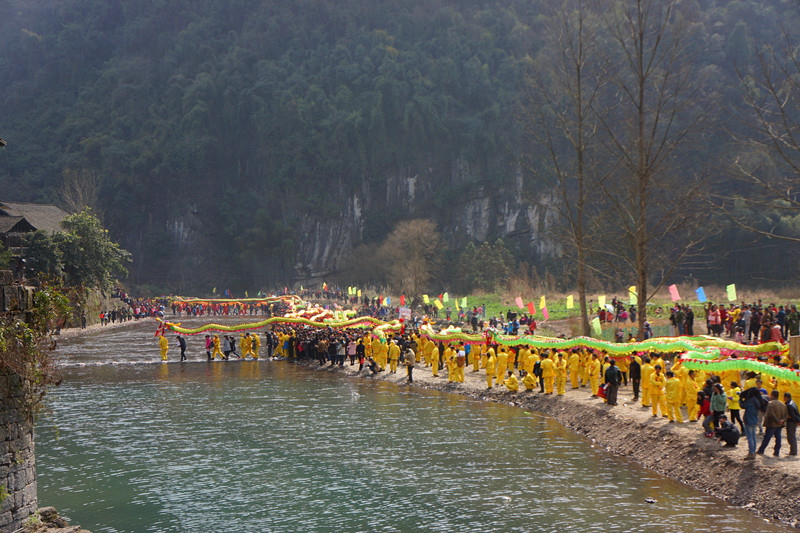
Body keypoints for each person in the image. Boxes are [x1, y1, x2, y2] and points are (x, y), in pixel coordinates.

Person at [756, 390, 788, 457]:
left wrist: (777, 420)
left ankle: (761, 450)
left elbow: (770, 414)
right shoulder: (783, 404)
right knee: (778, 438)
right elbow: (786, 415)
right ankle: (776, 452)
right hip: (779, 425)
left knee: (767, 438)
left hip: (771, 424)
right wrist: (782, 420)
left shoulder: (770, 403)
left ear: (772, 395)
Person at [742, 387, 761, 458]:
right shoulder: (757, 401)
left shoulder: (750, 401)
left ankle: (751, 452)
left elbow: (742, 405)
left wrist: (741, 400)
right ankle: (753, 451)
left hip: (748, 420)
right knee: (754, 437)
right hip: (754, 420)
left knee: (749, 437)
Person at [783, 392, 800, 456]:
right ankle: (793, 450)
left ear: (785, 397)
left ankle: (793, 451)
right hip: (794, 422)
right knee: (792, 436)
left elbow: (792, 415)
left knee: (791, 437)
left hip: (791, 422)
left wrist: (796, 421)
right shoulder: (793, 402)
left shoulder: (789, 405)